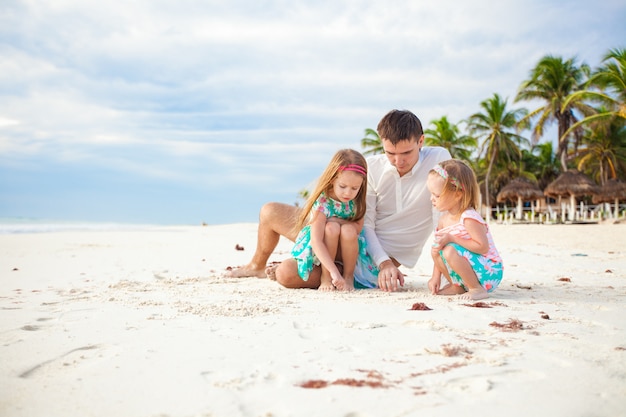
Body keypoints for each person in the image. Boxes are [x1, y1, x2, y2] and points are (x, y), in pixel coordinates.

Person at [225, 109, 451, 291]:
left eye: (406, 153)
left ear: (421, 141)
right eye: (390, 153)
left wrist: (389, 264)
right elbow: (367, 222)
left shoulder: (438, 160)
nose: (397, 161)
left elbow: (442, 218)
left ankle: (330, 270)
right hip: (344, 232)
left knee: (286, 274)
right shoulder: (372, 166)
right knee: (270, 211)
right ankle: (256, 265)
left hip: (372, 257)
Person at [275, 149, 375, 291]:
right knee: (331, 228)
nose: (348, 193)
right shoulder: (323, 201)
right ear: (333, 179)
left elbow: (358, 227)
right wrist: (333, 271)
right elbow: (316, 241)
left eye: (354, 188)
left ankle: (348, 277)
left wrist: (337, 221)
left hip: (347, 247)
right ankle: (326, 277)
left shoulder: (357, 200)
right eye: (343, 186)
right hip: (322, 246)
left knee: (348, 229)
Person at [426, 159, 503, 300]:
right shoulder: (443, 220)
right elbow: (440, 248)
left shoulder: (468, 217)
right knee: (435, 249)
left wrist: (453, 238)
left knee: (449, 249)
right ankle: (457, 286)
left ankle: (476, 288)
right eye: (431, 194)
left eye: (436, 195)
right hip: (469, 267)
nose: (432, 199)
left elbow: (482, 247)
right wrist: (435, 277)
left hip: (488, 270)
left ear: (457, 194)